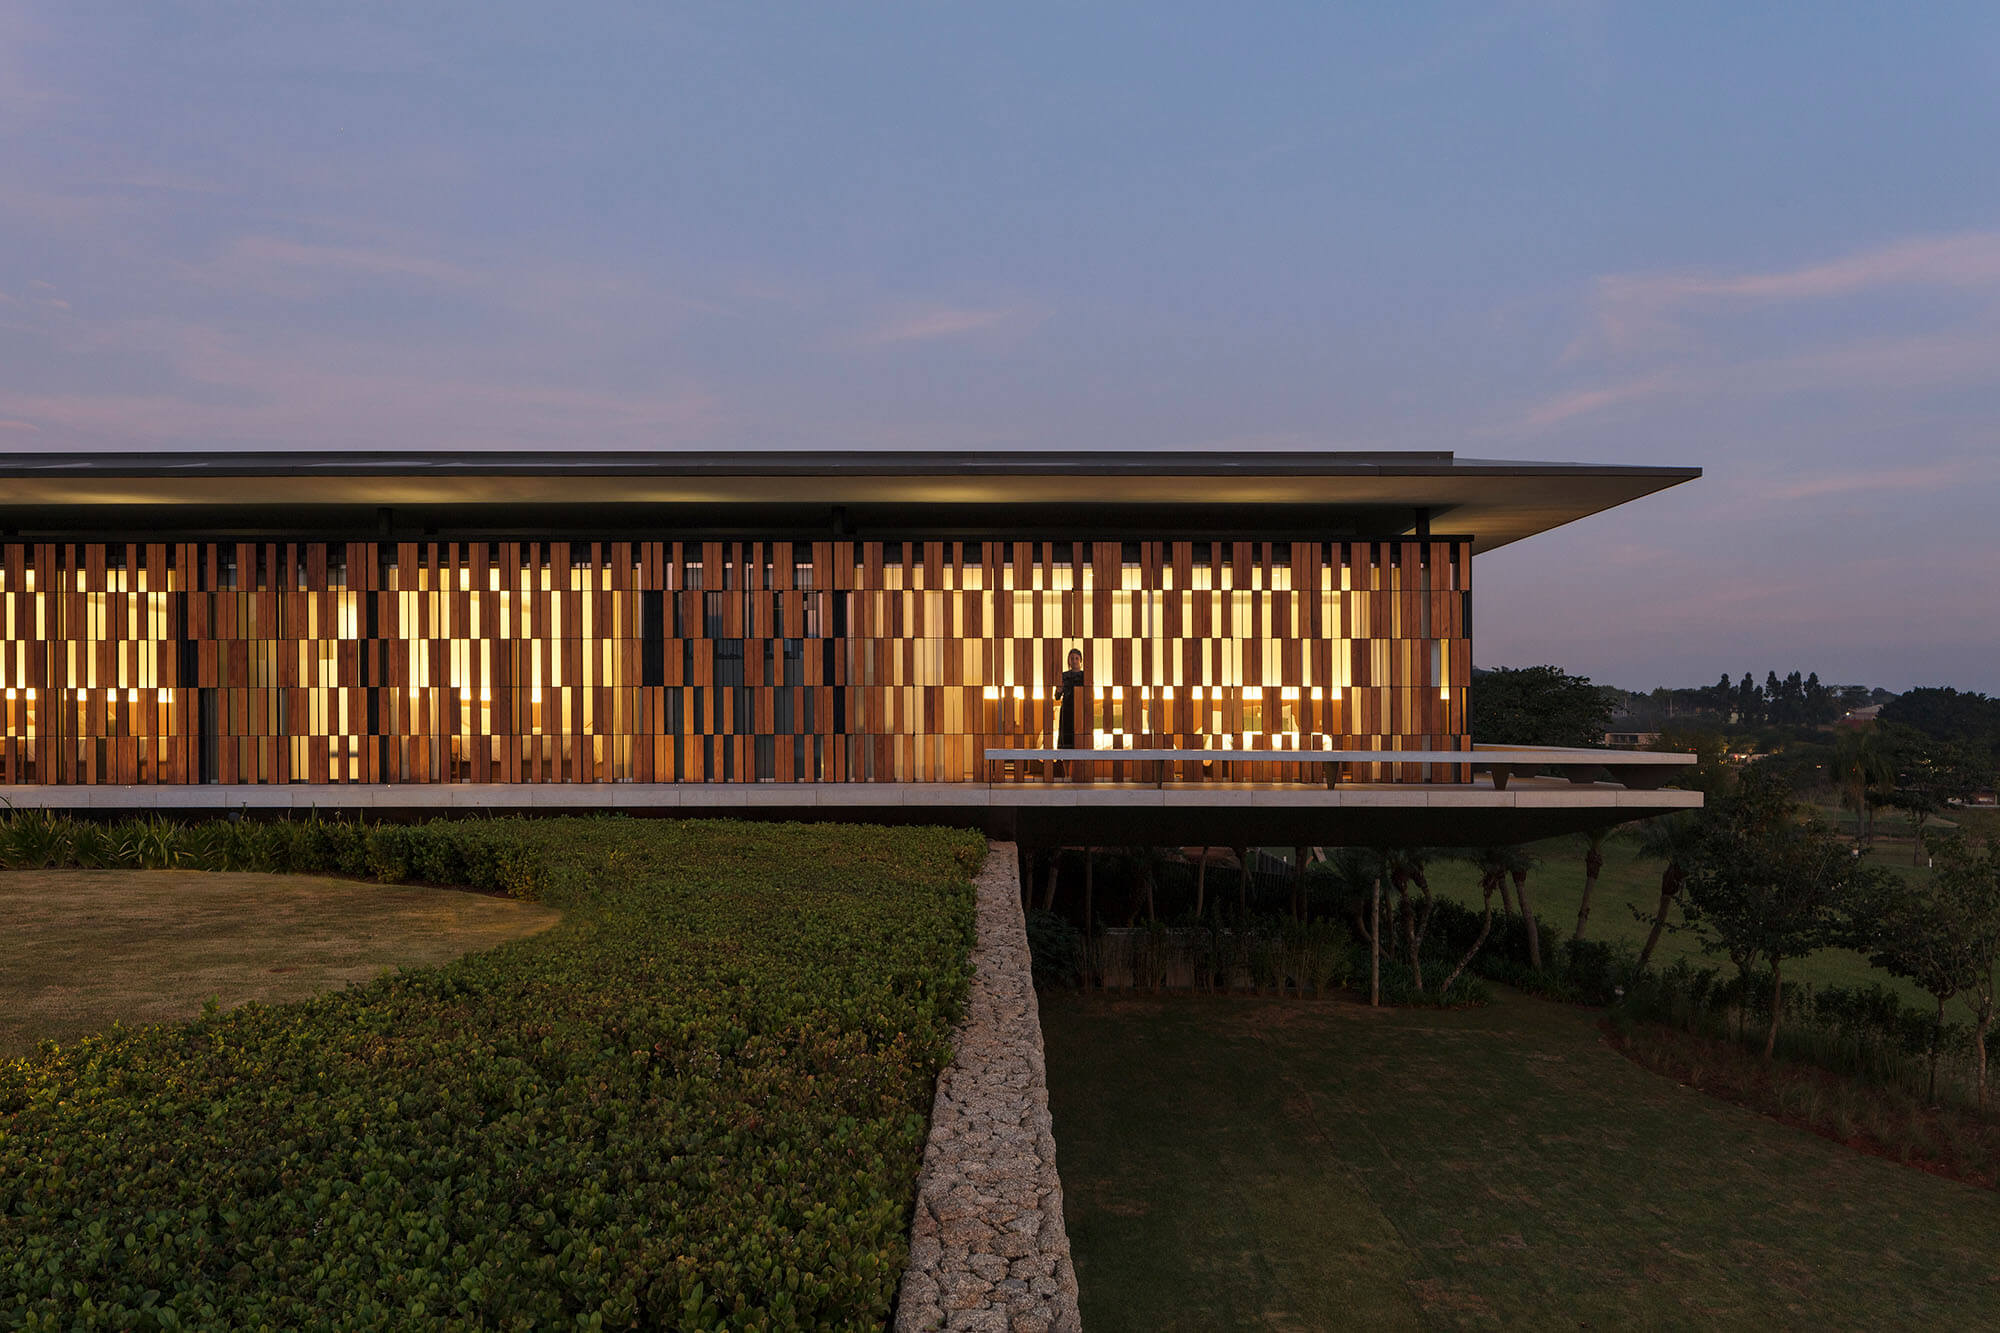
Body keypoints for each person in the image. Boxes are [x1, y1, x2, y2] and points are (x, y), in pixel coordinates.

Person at [1055, 648, 1086, 755]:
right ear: (1068, 661)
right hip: (1066, 713)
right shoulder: (1063, 676)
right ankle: (1067, 772)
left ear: (1080, 660)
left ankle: (1078, 770)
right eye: (1072, 658)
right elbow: (1057, 697)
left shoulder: (1085, 676)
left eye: (1076, 658)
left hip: (1080, 712)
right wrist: (1059, 690)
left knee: (1080, 744)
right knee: (1066, 745)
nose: (1074, 660)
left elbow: (1090, 696)